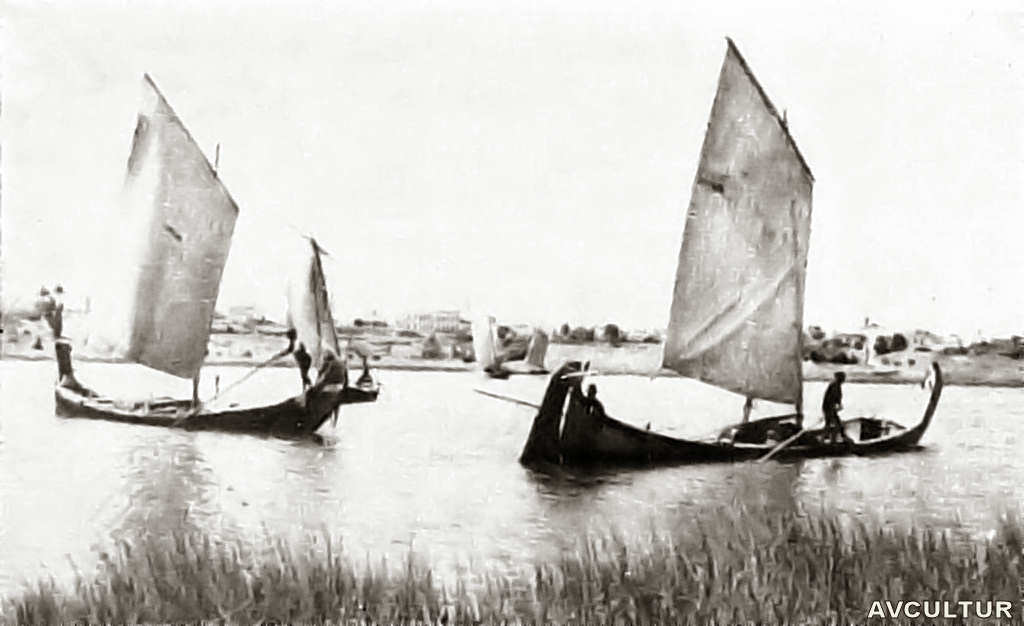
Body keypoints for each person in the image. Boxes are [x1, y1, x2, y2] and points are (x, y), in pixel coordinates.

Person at [822, 371, 851, 444]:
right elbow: (831, 398)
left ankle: (829, 437)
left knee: (832, 423)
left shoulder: (837, 385)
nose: (844, 379)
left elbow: (837, 398)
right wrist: (834, 407)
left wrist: (839, 404)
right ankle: (831, 439)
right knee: (834, 423)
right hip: (828, 408)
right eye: (843, 378)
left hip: (830, 407)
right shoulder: (834, 385)